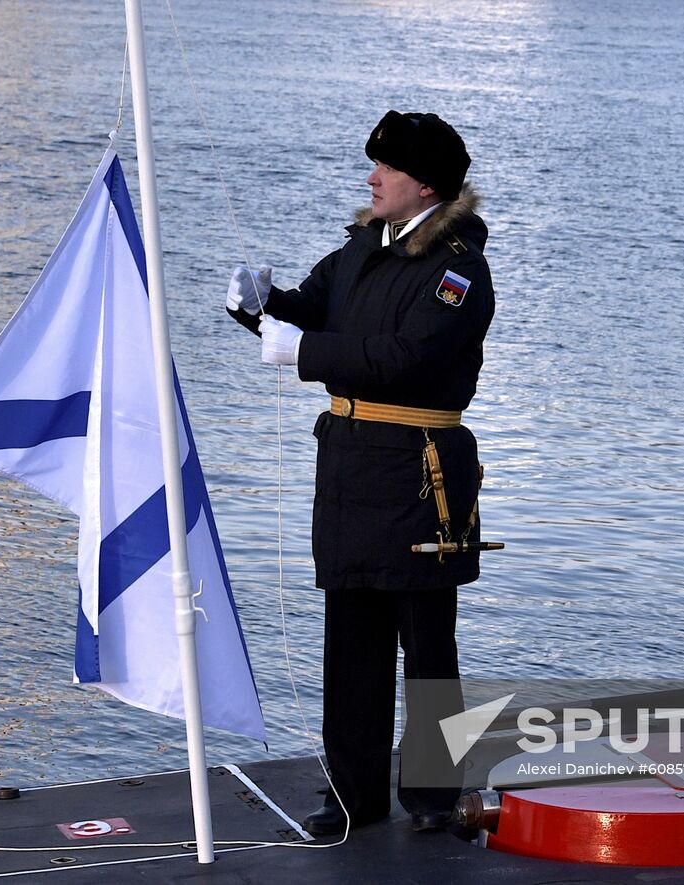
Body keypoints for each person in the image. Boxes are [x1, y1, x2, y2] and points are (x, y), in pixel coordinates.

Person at [225, 111, 494, 833]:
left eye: (386, 169)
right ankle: (353, 794)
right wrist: (257, 306)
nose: (370, 178)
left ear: (425, 184)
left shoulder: (458, 268)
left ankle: (435, 798)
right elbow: (310, 311)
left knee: (427, 646)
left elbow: (407, 359)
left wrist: (299, 351)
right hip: (349, 467)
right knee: (351, 642)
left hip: (419, 474)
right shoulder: (361, 247)